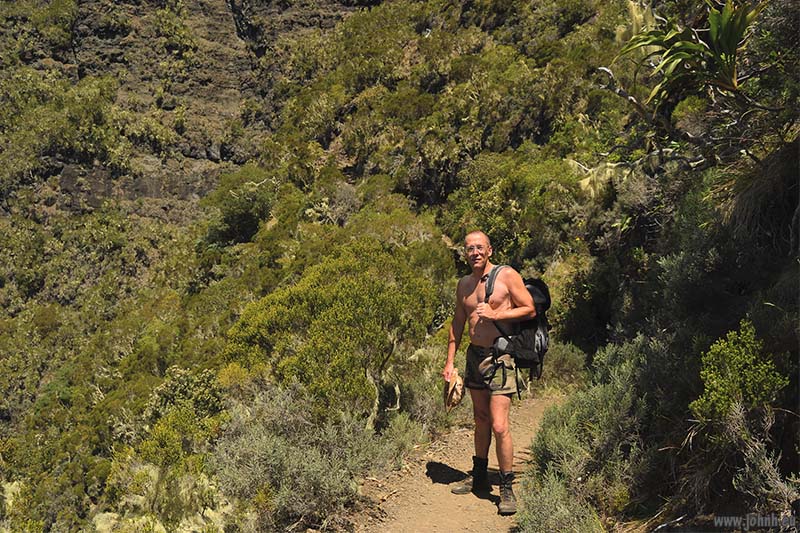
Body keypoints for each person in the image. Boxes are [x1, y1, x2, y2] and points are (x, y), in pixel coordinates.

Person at [442, 230, 536, 515]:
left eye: (479, 247)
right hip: (474, 357)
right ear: (465, 253)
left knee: (499, 424)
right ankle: (480, 476)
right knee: (480, 419)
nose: (475, 253)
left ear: (490, 250)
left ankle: (506, 487)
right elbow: (458, 324)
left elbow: (529, 309)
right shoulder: (464, 285)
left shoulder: (507, 276)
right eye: (470, 248)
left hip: (500, 356)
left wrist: (497, 314)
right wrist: (449, 362)